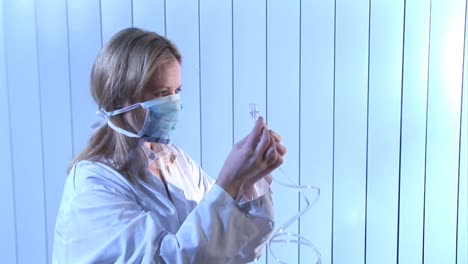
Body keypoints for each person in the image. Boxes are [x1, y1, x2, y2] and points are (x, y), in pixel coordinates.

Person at [53, 28, 286, 264]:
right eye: (162, 93)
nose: (174, 103)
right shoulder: (93, 186)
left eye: (177, 91)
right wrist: (230, 181)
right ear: (120, 98)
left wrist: (250, 180)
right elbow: (170, 259)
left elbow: (236, 250)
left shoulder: (177, 162)